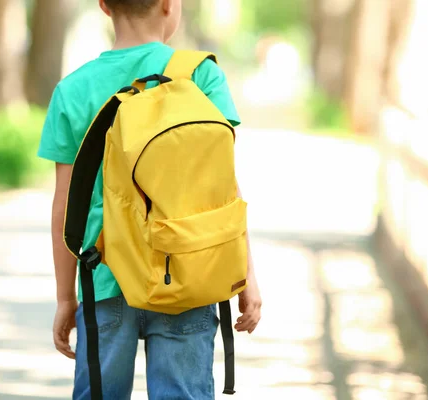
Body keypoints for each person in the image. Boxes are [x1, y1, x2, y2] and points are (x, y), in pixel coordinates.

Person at [37, 0, 262, 398]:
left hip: (104, 278)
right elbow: (223, 188)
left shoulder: (72, 89)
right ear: (168, 5)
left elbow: (64, 208)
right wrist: (246, 277)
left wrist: (64, 298)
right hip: (188, 272)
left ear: (104, 6)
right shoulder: (200, 76)